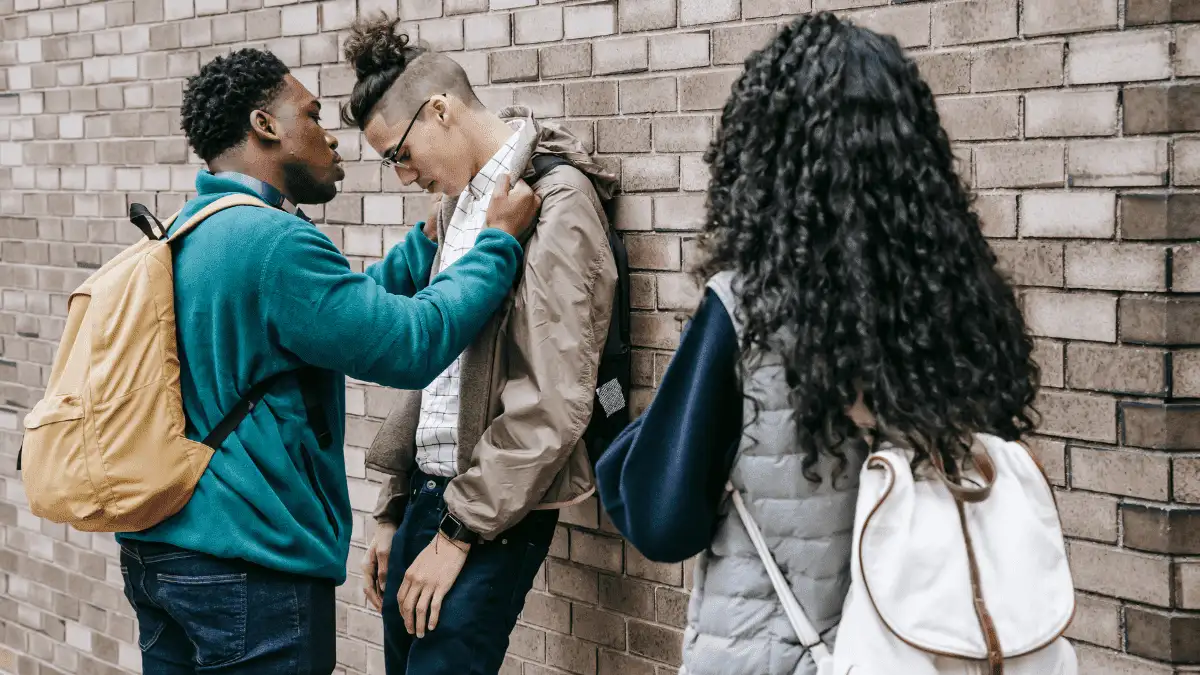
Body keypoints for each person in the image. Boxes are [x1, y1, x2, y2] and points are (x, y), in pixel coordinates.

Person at [595, 13, 1041, 675]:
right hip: (928, 649)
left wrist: (626, 441)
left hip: (775, 652)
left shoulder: (745, 311)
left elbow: (663, 519)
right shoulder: (964, 304)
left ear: (764, 154)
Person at [115, 47, 541, 675]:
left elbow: (336, 315)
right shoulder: (273, 244)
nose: (331, 139)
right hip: (247, 566)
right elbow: (409, 343)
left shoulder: (192, 227)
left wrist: (428, 245)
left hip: (164, 558)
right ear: (266, 127)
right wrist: (497, 242)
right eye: (312, 117)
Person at [339, 16, 619, 675]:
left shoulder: (555, 202)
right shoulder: (458, 209)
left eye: (400, 155)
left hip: (491, 507)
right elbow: (436, 367)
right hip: (429, 498)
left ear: (439, 109)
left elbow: (553, 398)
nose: (404, 176)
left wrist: (459, 531)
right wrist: (394, 508)